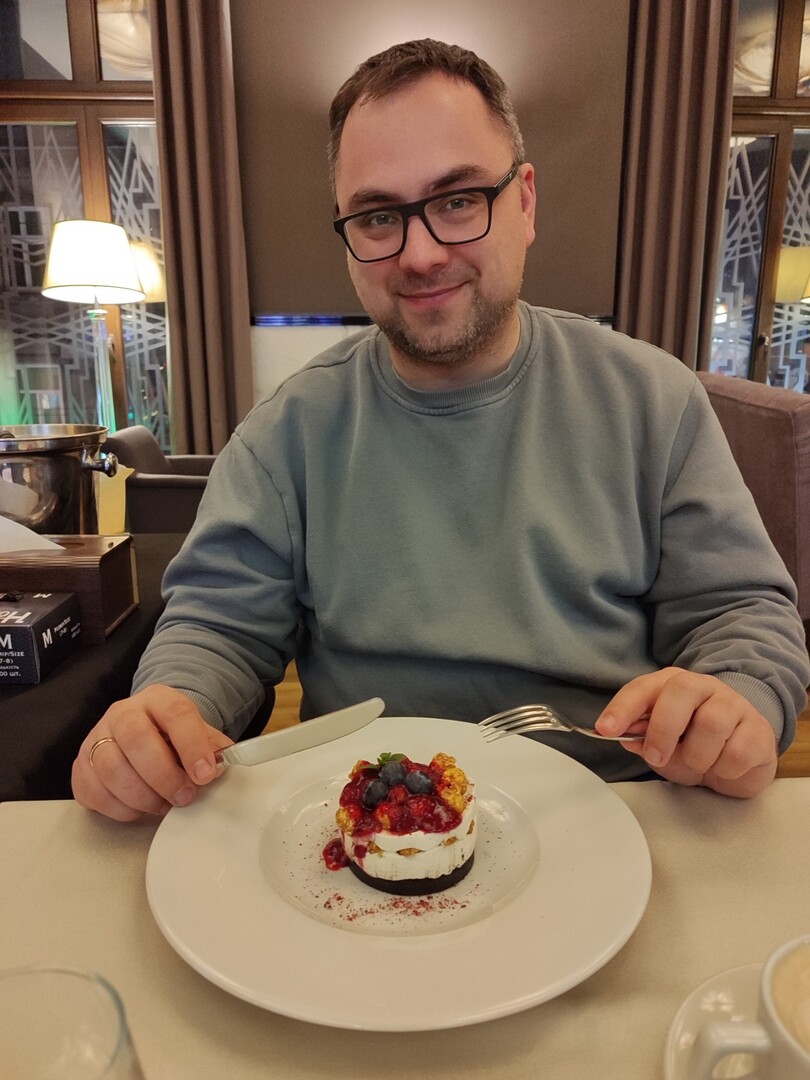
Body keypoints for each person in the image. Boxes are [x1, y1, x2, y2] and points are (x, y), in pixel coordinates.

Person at [73, 39, 809, 821]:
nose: (420, 255)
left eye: (458, 201)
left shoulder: (653, 400)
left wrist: (740, 697)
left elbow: (739, 614)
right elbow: (217, 628)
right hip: (366, 823)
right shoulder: (286, 433)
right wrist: (166, 717)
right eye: (378, 216)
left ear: (525, 202)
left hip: (614, 813)